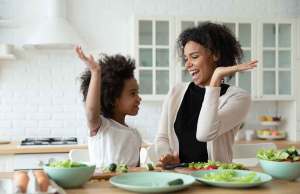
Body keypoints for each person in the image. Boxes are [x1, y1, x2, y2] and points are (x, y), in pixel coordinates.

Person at [147, 22, 257, 166]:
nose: (187, 64)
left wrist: (216, 78)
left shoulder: (238, 97)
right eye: (186, 58)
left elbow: (204, 134)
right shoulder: (176, 92)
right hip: (180, 176)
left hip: (216, 180)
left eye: (194, 56)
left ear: (215, 55)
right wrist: (167, 156)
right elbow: (162, 138)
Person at [76, 46, 142, 167]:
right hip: (103, 185)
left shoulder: (135, 135)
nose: (139, 98)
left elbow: (137, 170)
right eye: (133, 93)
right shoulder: (101, 127)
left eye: (138, 93)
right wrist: (96, 72)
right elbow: (91, 111)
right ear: (113, 99)